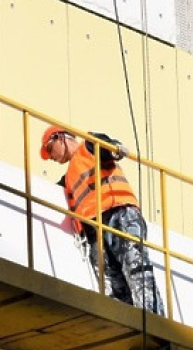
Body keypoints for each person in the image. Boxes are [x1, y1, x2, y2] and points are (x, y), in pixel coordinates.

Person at [40, 125, 164, 315]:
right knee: (112, 288)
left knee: (136, 271)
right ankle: (128, 327)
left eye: (50, 150)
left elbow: (106, 147)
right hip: (95, 230)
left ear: (60, 138)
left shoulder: (88, 146)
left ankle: (155, 323)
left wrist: (115, 148)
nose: (52, 158)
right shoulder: (68, 178)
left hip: (119, 214)